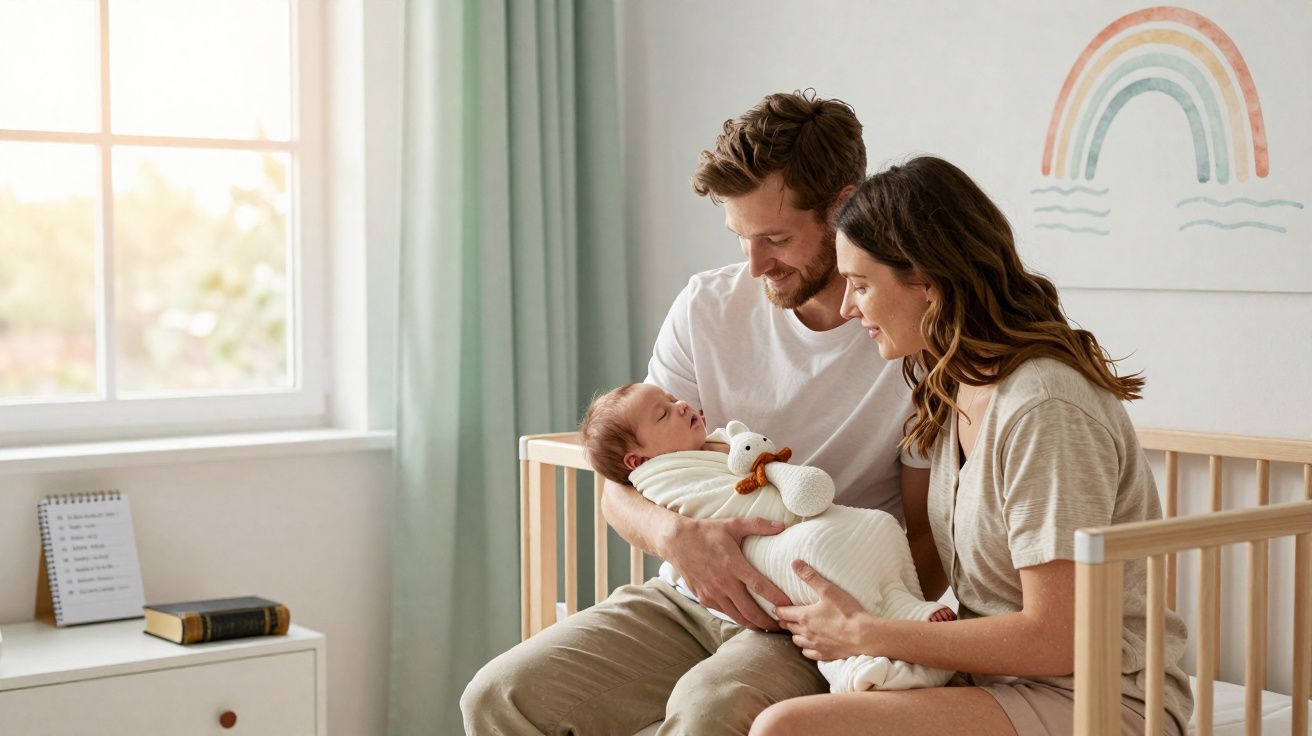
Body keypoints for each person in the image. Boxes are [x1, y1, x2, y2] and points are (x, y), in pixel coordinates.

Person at [462, 91, 933, 735]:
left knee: (709, 707)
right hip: (687, 596)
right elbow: (621, 484)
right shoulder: (707, 306)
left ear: (844, 207)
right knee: (496, 696)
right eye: (741, 237)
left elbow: (926, 534)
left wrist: (865, 620)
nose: (755, 265)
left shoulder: (905, 333)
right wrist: (675, 538)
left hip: (804, 610)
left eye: (776, 238)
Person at [749, 156, 1193, 736]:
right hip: (996, 685)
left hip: (1100, 698)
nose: (846, 307)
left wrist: (869, 632)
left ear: (927, 282)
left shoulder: (1043, 408)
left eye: (860, 285)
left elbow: (1057, 638)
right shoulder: (957, 386)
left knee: (786, 729)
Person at [579, 381, 956, 694]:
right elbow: (724, 504)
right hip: (733, 579)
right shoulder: (662, 475)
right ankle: (853, 665)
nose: (679, 405)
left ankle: (904, 610)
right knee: (816, 560)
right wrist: (674, 533)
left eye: (673, 399)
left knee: (875, 527)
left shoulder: (713, 442)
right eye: (663, 413)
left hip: (797, 551)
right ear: (638, 462)